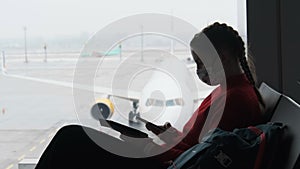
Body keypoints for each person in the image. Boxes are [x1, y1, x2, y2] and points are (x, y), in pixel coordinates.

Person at [35, 22, 264, 169]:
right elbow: (198, 146)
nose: (198, 71)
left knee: (70, 138)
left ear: (222, 57)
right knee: (73, 139)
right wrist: (166, 135)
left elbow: (198, 159)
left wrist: (149, 147)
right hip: (168, 159)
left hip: (167, 165)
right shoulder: (231, 92)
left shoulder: (234, 100)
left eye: (201, 63)